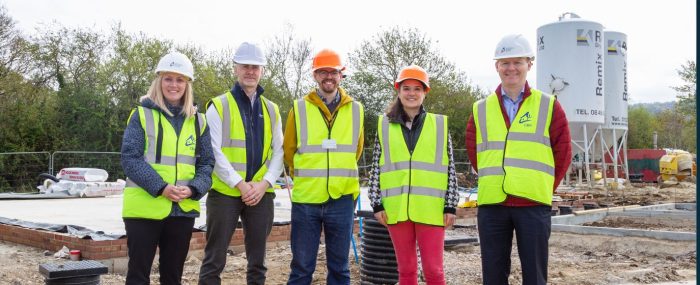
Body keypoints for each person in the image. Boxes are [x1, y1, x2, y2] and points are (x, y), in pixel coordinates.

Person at [465, 34, 572, 285]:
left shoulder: (549, 106)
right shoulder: (480, 108)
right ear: (497, 67)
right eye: (505, 62)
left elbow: (563, 152)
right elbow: (474, 150)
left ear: (529, 65)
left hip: (533, 204)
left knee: (534, 276)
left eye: (518, 62)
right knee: (493, 275)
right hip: (493, 205)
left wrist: (543, 185)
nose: (511, 68)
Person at [121, 51, 214, 284]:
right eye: (168, 78)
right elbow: (130, 159)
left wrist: (193, 189)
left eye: (180, 79)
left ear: (187, 84)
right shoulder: (141, 115)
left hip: (182, 210)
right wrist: (161, 187)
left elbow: (206, 164)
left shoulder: (199, 121)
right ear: (159, 81)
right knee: (138, 276)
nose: (174, 85)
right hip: (144, 209)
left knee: (173, 277)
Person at [199, 42, 284, 285]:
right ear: (236, 68)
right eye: (245, 66)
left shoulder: (272, 110)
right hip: (226, 192)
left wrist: (263, 183)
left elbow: (279, 152)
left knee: (258, 262)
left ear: (262, 71)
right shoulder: (219, 105)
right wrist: (240, 184)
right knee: (214, 259)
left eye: (255, 67)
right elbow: (212, 150)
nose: (250, 71)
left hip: (261, 192)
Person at [368, 65, 458, 285]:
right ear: (398, 91)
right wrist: (377, 204)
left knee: (434, 271)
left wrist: (450, 206)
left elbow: (451, 169)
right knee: (406, 271)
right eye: (406, 88)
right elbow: (375, 168)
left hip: (431, 209)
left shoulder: (439, 124)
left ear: (425, 92)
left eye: (417, 89)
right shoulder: (384, 125)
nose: (411, 93)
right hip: (396, 209)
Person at [284, 49, 364, 285]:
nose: (328, 76)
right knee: (301, 268)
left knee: (340, 268)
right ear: (315, 75)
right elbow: (289, 150)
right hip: (307, 199)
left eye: (333, 72)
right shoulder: (299, 109)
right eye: (323, 72)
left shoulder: (356, 109)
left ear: (341, 75)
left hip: (342, 198)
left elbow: (356, 150)